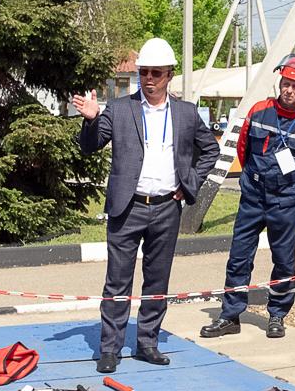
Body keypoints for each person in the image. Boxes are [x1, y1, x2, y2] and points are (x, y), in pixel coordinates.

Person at [72, 37, 219, 373]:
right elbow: (90, 146)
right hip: (128, 207)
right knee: (117, 280)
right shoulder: (121, 109)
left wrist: (189, 184)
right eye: (144, 73)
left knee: (157, 280)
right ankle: (110, 347)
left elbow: (210, 150)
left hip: (167, 208)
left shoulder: (186, 113)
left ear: (169, 75)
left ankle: (148, 343)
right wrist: (92, 119)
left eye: (156, 73)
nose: (149, 79)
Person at [202, 55, 295, 341]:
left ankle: (277, 315)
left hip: (286, 199)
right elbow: (243, 150)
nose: (289, 90)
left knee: (283, 260)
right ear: (279, 83)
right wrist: (257, 179)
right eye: (286, 83)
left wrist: (288, 185)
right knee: (239, 256)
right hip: (254, 195)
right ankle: (230, 315)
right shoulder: (259, 111)